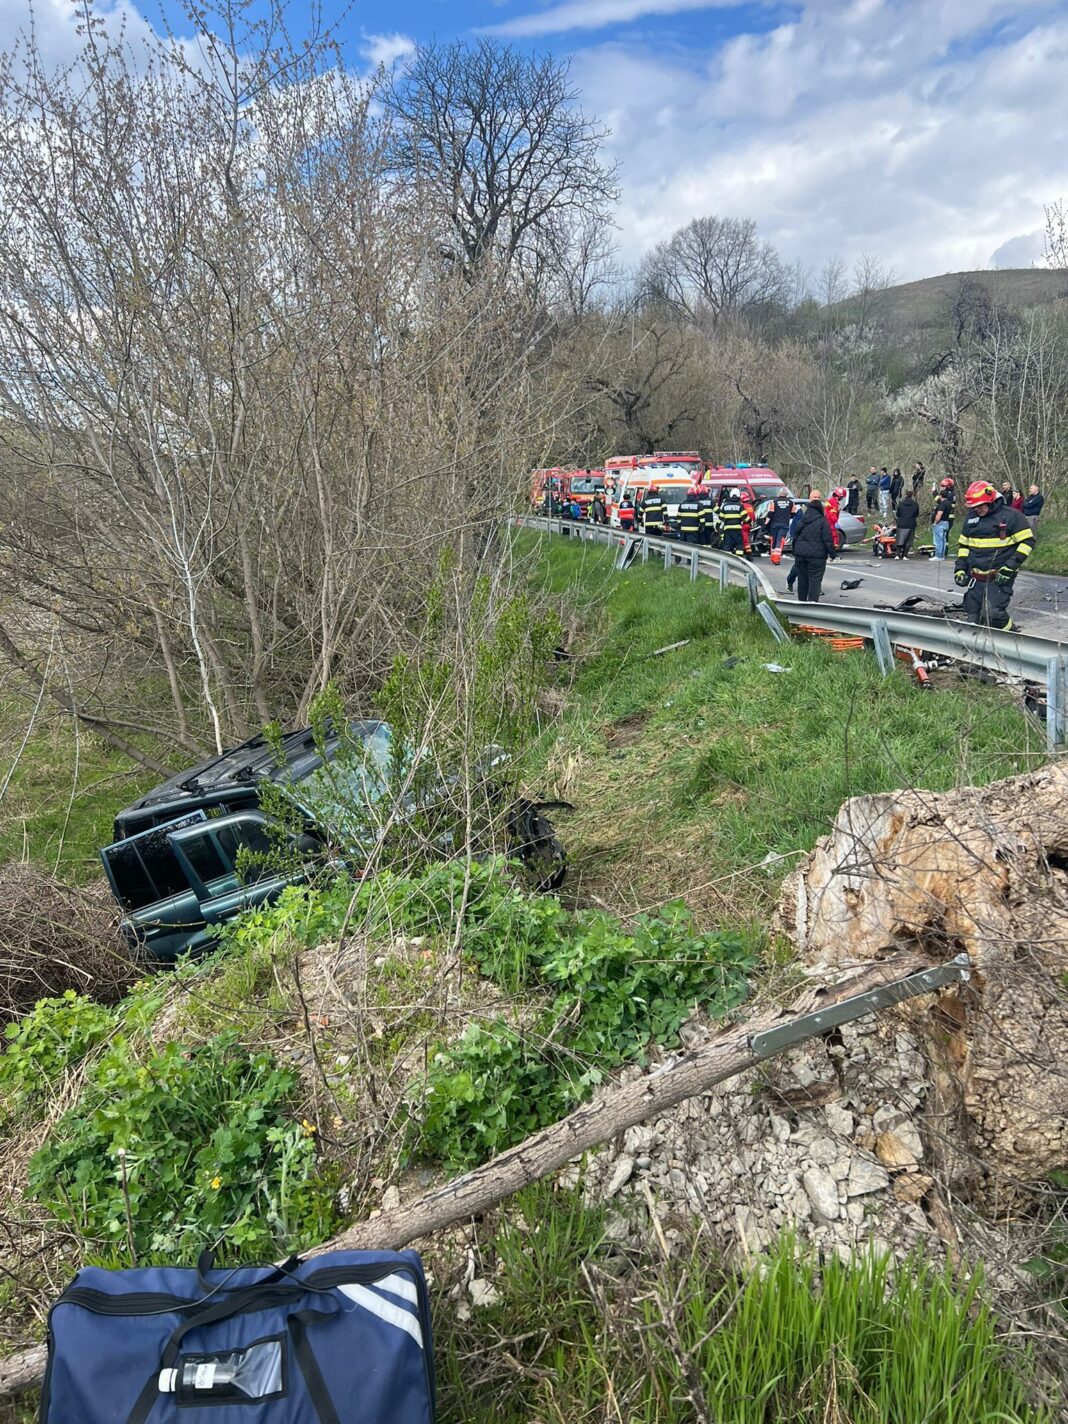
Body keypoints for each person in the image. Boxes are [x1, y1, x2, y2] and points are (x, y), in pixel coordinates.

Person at [954, 480, 1035, 629]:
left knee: (993, 613)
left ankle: (1010, 635)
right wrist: (960, 569)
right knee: (972, 614)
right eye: (974, 506)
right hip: (976, 577)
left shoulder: (1012, 516)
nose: (977, 509)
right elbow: (964, 546)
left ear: (990, 500)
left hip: (999, 576)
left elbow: (1028, 542)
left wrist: (1010, 566)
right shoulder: (971, 518)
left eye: (980, 506)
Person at [790, 492, 837, 602]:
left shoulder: (803, 519)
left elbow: (795, 536)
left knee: (802, 580)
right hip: (817, 557)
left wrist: (794, 550)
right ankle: (812, 604)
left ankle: (802, 602)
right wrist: (832, 554)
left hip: (801, 554)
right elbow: (827, 539)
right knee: (815, 580)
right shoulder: (823, 521)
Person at [766, 490, 794, 564]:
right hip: (784, 524)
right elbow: (793, 514)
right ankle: (776, 559)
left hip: (774, 525)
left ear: (779, 493)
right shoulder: (791, 502)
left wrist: (766, 523)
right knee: (780, 540)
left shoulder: (774, 502)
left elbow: (770, 513)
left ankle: (773, 557)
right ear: (786, 494)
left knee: (774, 540)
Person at [717, 486, 747, 555]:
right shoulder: (740, 505)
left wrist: (717, 526)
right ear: (739, 496)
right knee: (739, 545)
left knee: (727, 545)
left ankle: (726, 560)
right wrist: (749, 522)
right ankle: (739, 559)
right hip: (737, 530)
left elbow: (720, 518)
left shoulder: (725, 505)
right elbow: (746, 517)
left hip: (727, 530)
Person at [930, 479, 954, 560]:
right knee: (943, 539)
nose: (941, 487)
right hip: (946, 521)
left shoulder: (946, 500)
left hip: (942, 521)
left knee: (939, 540)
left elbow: (939, 513)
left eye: (943, 486)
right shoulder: (950, 498)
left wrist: (934, 492)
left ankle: (938, 555)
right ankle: (943, 554)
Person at [894, 489, 919, 558]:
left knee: (900, 539)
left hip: (901, 523)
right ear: (912, 496)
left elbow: (898, 514)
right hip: (911, 523)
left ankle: (897, 555)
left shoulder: (901, 504)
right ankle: (904, 555)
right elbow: (917, 514)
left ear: (905, 496)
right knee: (908, 540)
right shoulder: (915, 504)